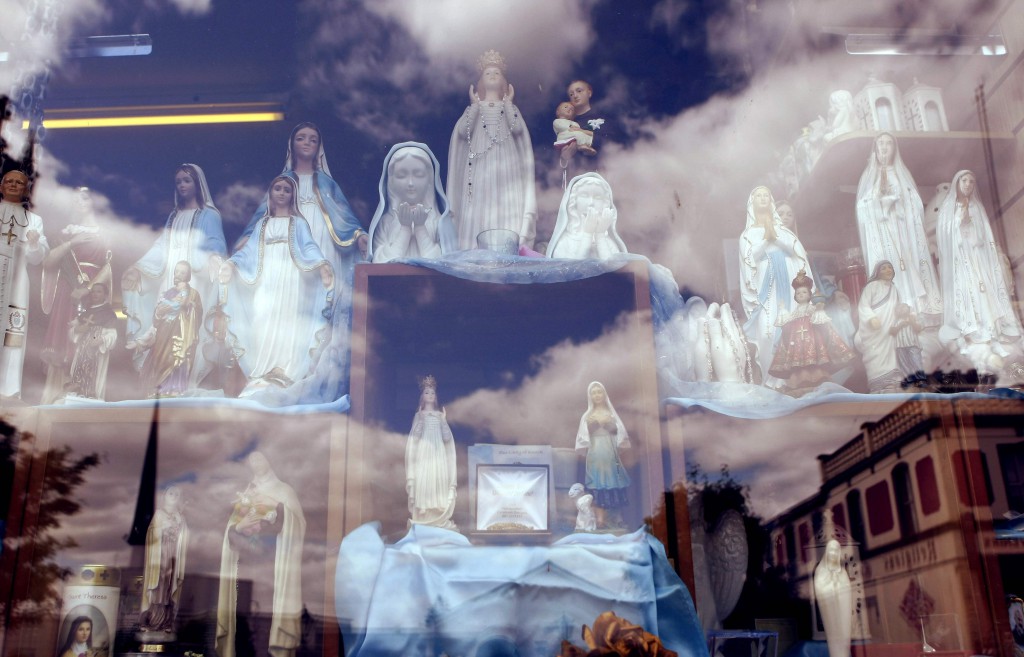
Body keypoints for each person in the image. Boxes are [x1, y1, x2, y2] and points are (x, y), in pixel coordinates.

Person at [220, 176, 334, 396]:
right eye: (278, 189)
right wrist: (232, 264)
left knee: (288, 321)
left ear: (293, 196)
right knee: (262, 317)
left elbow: (309, 248)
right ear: (270, 194)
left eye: (286, 190)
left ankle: (285, 371)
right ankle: (261, 372)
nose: (282, 193)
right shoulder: (262, 225)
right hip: (266, 279)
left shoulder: (298, 223)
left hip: (291, 279)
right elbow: (248, 253)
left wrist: (322, 265)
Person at [122, 164, 225, 383]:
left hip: (195, 276)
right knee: (164, 322)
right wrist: (139, 268)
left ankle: (183, 380)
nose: (182, 185)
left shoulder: (209, 215)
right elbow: (161, 246)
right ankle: (163, 377)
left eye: (186, 181)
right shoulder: (174, 216)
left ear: (197, 184)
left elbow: (215, 242)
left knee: (185, 325)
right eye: (178, 182)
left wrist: (215, 257)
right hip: (171, 276)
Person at [217, 451, 305, 657]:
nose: (256, 462)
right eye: (252, 460)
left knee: (268, 615)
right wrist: (240, 527)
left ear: (269, 461)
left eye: (260, 457)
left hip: (273, 564)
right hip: (246, 568)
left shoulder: (285, 490)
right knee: (243, 620)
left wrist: (273, 517)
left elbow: (297, 523)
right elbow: (231, 531)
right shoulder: (247, 492)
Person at [447, 50, 537, 250]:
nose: (492, 75)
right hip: (479, 157)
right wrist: (475, 106)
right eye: (488, 73)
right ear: (480, 81)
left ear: (503, 81)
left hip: (506, 156)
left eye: (496, 73)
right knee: (481, 195)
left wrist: (508, 103)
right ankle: (475, 244)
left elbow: (518, 129)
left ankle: (506, 245)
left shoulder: (508, 107)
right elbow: (462, 132)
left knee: (504, 195)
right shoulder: (473, 108)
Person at [936, 169, 1023, 375]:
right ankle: (972, 329)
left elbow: (984, 237)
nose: (967, 184)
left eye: (971, 181)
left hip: (977, 259)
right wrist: (960, 222)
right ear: (957, 183)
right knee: (968, 293)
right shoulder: (949, 209)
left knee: (985, 294)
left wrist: (972, 229)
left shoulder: (976, 207)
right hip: (960, 262)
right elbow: (946, 239)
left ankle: (991, 332)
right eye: (964, 180)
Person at [855, 133, 941, 328]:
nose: (884, 148)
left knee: (910, 265)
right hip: (884, 234)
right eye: (880, 144)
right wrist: (878, 201)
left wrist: (898, 202)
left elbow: (915, 204)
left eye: (888, 144)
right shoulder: (870, 177)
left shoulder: (900, 174)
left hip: (903, 231)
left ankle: (917, 309)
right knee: (889, 267)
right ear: (875, 148)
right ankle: (894, 310)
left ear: (894, 148)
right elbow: (863, 208)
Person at [40, 187, 112, 404]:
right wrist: (72, 243)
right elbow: (48, 262)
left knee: (86, 338)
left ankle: (81, 388)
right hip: (67, 290)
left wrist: (88, 288)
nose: (79, 203)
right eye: (75, 200)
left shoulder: (105, 232)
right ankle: (55, 391)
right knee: (64, 335)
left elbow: (109, 267)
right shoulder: (66, 233)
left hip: (93, 291)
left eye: (84, 198)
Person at [738, 185, 811, 389]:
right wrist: (766, 242)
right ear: (751, 203)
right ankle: (773, 382)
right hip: (765, 293)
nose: (762, 198)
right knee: (767, 332)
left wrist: (777, 239)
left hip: (787, 290)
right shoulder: (747, 235)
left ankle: (793, 382)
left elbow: (800, 257)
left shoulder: (785, 232)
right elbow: (748, 261)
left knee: (793, 331)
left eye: (766, 195)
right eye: (758, 195)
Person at [0, 170, 49, 399]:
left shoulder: (34, 221)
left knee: (13, 334)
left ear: (26, 189)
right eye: (8, 181)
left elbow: (38, 258)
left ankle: (8, 390)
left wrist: (34, 244)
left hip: (17, 283)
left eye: (19, 182)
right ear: (1, 186)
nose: (13, 185)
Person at [367, 143, 456, 262]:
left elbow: (445, 265)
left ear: (429, 180)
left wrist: (420, 228)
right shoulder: (386, 222)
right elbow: (380, 264)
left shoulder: (439, 222)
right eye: (402, 175)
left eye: (418, 175)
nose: (410, 183)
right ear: (391, 182)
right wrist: (405, 228)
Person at [768, 270, 853, 393]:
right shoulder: (793, 315)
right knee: (797, 364)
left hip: (814, 342)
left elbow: (824, 327)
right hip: (796, 345)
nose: (801, 294)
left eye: (804, 292)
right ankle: (798, 381)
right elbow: (786, 332)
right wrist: (783, 314)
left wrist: (819, 311)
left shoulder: (814, 310)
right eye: (798, 293)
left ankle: (818, 377)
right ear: (795, 297)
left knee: (815, 363)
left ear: (809, 294)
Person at [136, 261, 203, 397]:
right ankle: (158, 389)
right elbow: (156, 319)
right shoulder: (166, 293)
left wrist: (188, 307)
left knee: (177, 360)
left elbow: (198, 314)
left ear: (188, 276)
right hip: (163, 335)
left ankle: (174, 389)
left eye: (182, 272)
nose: (178, 274)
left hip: (182, 335)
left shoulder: (193, 294)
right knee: (160, 360)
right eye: (177, 271)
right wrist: (159, 312)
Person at [574, 381, 630, 527]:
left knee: (613, 482)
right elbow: (583, 437)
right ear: (590, 396)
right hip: (595, 454)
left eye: (599, 392)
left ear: (604, 394)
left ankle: (617, 517)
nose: (597, 395)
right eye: (594, 393)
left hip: (610, 453)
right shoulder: (587, 415)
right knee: (597, 484)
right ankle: (600, 519)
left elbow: (621, 434)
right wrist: (593, 425)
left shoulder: (611, 413)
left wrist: (607, 423)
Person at [405, 375, 457, 529]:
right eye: (427, 392)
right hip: (424, 450)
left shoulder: (441, 416)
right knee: (424, 476)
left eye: (433, 393)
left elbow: (447, 438)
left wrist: (444, 421)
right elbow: (415, 437)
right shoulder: (418, 415)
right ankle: (423, 506)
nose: (430, 395)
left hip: (438, 449)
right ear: (423, 396)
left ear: (436, 397)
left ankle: (439, 505)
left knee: (437, 475)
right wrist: (421, 420)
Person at [139, 486, 188, 635]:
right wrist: (161, 529)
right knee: (157, 587)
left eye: (176, 494)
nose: (173, 496)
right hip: (159, 556)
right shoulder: (159, 514)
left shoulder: (181, 517)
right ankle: (151, 620)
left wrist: (180, 529)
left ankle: (167, 622)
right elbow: (151, 534)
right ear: (164, 496)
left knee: (168, 588)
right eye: (170, 493)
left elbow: (184, 538)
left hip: (173, 556)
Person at [547, 172, 627, 260]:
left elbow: (613, 268)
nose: (591, 202)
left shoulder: (609, 243)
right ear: (574, 201)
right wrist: (587, 234)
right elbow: (573, 269)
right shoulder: (565, 242)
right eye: (584, 195)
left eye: (598, 197)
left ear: (605, 204)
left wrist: (600, 235)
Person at [854, 261, 902, 393]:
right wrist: (871, 318)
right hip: (874, 329)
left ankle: (894, 381)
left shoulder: (894, 288)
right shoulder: (872, 286)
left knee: (892, 352)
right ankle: (879, 382)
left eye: (890, 268)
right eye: (884, 268)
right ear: (878, 272)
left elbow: (898, 307)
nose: (888, 270)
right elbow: (863, 306)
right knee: (876, 353)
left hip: (890, 327)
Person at [65, 283, 118, 400]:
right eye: (93, 291)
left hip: (97, 353)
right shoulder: (86, 312)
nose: (95, 294)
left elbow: (113, 335)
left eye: (99, 291)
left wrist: (102, 339)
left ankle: (91, 394)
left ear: (105, 295)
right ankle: (76, 391)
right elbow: (71, 331)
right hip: (81, 353)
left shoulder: (109, 313)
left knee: (93, 377)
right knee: (77, 375)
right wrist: (78, 329)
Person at [814, 540, 853, 657]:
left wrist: (838, 586)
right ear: (827, 553)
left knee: (844, 634)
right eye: (831, 550)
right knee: (834, 636)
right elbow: (820, 589)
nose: (833, 553)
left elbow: (846, 593)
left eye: (836, 551)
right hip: (831, 613)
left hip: (841, 612)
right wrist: (832, 586)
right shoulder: (821, 572)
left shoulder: (843, 573)